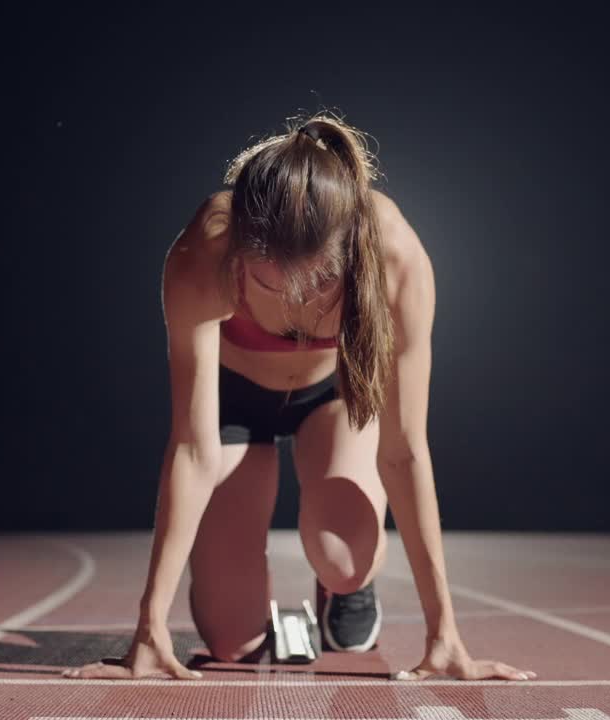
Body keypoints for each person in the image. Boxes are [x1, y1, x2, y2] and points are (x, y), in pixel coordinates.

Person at [62, 113, 536, 682]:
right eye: (266, 282)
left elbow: (404, 452)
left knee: (342, 557)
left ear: (343, 258)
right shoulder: (202, 255)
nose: (290, 298)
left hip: (331, 397)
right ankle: (240, 606)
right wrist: (150, 626)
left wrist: (445, 634)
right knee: (233, 643)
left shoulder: (395, 259)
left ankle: (348, 591)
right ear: (238, 246)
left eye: (313, 285)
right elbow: (191, 448)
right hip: (234, 402)